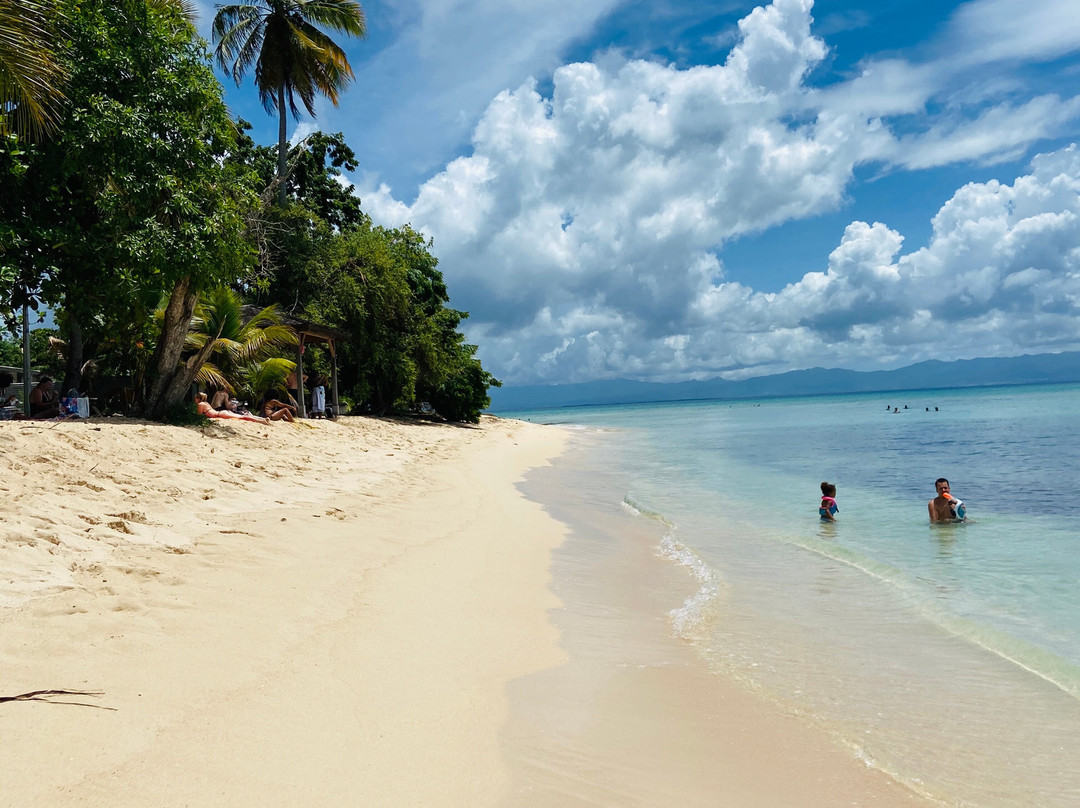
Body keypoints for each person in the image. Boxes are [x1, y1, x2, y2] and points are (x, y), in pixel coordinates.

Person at [195, 392, 268, 424]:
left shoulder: (200, 404)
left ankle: (261, 421)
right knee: (243, 416)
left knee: (243, 417)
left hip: (220, 414)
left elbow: (199, 416)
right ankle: (262, 419)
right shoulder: (206, 403)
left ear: (198, 398)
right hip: (221, 412)